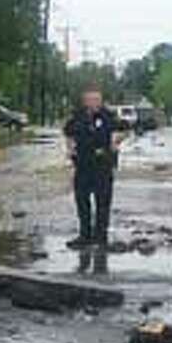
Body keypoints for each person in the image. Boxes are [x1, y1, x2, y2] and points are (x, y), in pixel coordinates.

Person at [63, 86, 128, 247]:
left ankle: (101, 237)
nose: (94, 103)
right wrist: (70, 148)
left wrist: (115, 142)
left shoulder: (108, 116)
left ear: (101, 100)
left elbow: (125, 129)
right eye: (90, 99)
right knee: (82, 201)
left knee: (103, 202)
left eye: (97, 99)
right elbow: (68, 132)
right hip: (83, 165)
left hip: (103, 165)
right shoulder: (78, 116)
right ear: (85, 101)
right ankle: (84, 235)